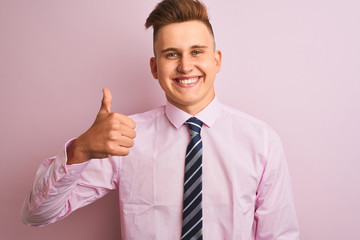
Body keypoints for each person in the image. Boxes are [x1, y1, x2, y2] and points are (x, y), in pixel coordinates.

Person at [22, 0, 300, 239]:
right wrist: (79, 150)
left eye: (196, 51)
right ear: (155, 67)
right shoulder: (124, 138)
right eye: (171, 54)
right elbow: (37, 215)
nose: (185, 66)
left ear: (217, 60)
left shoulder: (261, 141)